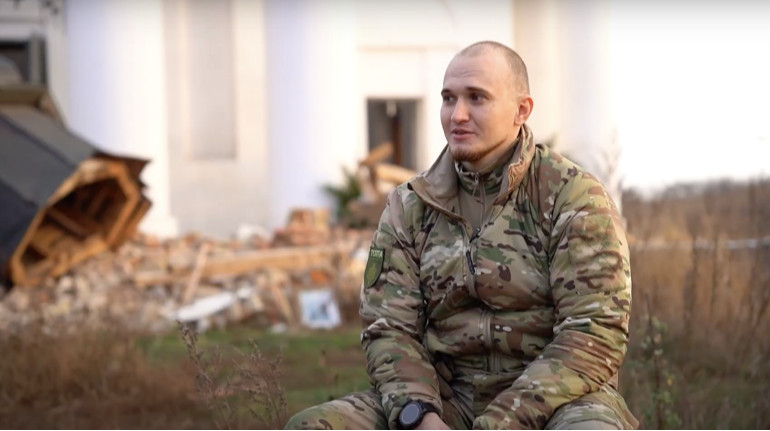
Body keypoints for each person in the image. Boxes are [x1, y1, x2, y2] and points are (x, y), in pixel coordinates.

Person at [286, 40, 638, 430]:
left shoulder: (572, 197)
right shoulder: (410, 206)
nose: (457, 115)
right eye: (448, 98)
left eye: (477, 98)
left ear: (521, 110)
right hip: (445, 401)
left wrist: (501, 422)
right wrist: (419, 415)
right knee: (311, 426)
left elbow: (594, 332)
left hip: (558, 402)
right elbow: (389, 328)